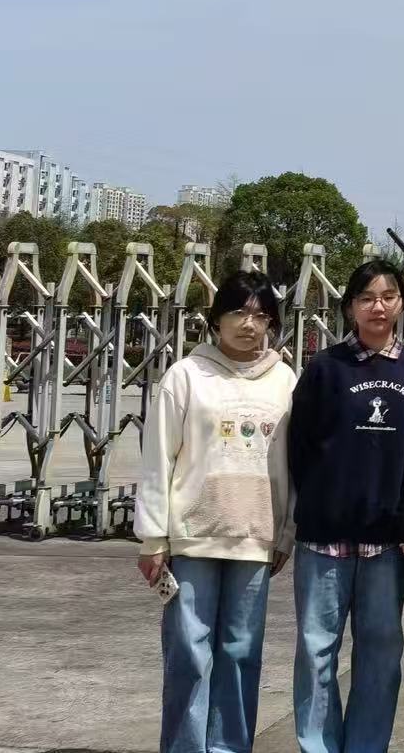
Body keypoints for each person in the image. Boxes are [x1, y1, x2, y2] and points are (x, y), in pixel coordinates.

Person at [134, 270, 297, 753]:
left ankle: (229, 746)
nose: (249, 324)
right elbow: (158, 457)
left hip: (255, 537)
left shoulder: (285, 380)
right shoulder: (186, 376)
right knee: (188, 652)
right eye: (238, 313)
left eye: (261, 316)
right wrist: (153, 537)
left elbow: (293, 465)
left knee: (241, 653)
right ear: (216, 319)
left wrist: (285, 532)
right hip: (192, 537)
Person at [288, 258, 404, 753]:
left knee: (381, 653)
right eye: (367, 298)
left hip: (387, 542)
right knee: (316, 651)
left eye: (388, 297)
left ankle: (367, 746)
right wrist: (317, 503)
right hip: (324, 538)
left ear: (402, 304)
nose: (378, 307)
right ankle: (318, 745)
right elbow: (299, 447)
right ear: (350, 307)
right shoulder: (325, 368)